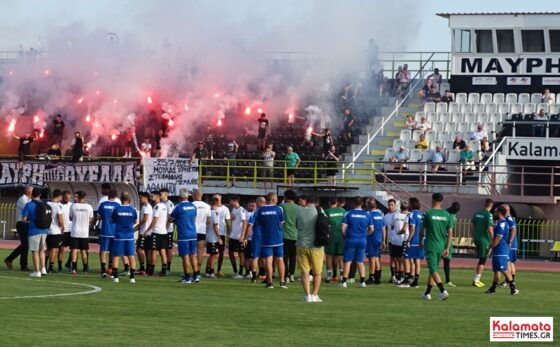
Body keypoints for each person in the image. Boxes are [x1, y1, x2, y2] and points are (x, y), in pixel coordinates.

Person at [419, 193, 453, 301]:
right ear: (441, 201)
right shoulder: (447, 215)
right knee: (433, 270)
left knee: (433, 269)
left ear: (432, 200)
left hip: (431, 245)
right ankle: (427, 293)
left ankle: (442, 291)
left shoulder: (428, 213)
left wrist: (420, 241)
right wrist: (447, 248)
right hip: (441, 246)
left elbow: (422, 229)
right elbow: (450, 233)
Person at [254, 193, 287, 289]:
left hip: (266, 239)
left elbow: (259, 223)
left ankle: (270, 283)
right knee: (280, 259)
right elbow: (281, 223)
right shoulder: (279, 209)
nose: (277, 200)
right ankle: (282, 282)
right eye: (276, 199)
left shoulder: (260, 210)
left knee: (268, 260)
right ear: (272, 199)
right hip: (278, 238)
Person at [339, 197, 373, 288]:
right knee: (360, 261)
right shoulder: (367, 214)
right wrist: (365, 235)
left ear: (354, 203)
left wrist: (345, 236)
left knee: (348, 261)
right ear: (362, 203)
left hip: (350, 239)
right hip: (362, 240)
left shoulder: (349, 213)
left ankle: (344, 282)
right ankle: (362, 282)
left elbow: (342, 228)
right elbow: (371, 229)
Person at [485, 205, 519, 295]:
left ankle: (513, 288)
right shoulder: (501, 223)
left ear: (500, 213)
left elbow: (498, 238)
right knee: (497, 270)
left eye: (496, 212)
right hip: (499, 251)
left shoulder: (502, 224)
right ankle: (493, 288)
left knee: (504, 269)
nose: (495, 213)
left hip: (501, 250)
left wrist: (490, 247)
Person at [295, 195, 324, 302]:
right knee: (317, 272)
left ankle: (307, 295)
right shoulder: (319, 210)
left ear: (306, 202)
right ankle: (315, 295)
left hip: (301, 244)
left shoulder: (298, 211)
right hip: (316, 246)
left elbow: (297, 225)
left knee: (305, 272)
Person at [170, 189, 199, 284]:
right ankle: (196, 275)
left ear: (180, 197)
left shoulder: (178, 207)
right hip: (193, 233)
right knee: (193, 255)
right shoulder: (193, 206)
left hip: (183, 235)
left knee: (185, 256)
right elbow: (194, 218)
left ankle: (187, 277)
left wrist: (177, 220)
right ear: (188, 196)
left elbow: (171, 219)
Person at [110, 192, 138, 283]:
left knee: (116, 256)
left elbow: (112, 220)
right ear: (129, 200)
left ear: (120, 199)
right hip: (129, 235)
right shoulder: (133, 210)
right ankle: (132, 277)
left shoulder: (116, 209)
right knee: (131, 256)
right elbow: (135, 221)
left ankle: (115, 277)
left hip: (119, 235)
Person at [22, 188, 49, 277]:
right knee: (42, 250)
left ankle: (37, 271)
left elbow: (24, 219)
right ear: (40, 195)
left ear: (31, 194)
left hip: (34, 230)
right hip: (45, 230)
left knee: (35, 251)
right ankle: (43, 268)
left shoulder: (29, 204)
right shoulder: (45, 204)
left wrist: (28, 220)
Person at [4, 186, 32, 271]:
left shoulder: (29, 200)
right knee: (25, 245)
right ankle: (22, 265)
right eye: (32, 191)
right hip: (21, 224)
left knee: (25, 245)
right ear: (29, 192)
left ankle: (10, 260)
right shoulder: (22, 199)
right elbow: (28, 211)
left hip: (26, 224)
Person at [69, 191, 94, 274]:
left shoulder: (73, 206)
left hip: (75, 231)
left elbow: (70, 218)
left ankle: (74, 268)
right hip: (84, 232)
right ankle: (85, 268)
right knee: (83, 251)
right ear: (84, 197)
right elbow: (90, 219)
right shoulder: (89, 207)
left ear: (78, 197)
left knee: (74, 250)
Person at [471, 198, 494, 288]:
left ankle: (476, 279)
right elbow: (490, 228)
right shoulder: (489, 215)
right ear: (491, 206)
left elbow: (471, 225)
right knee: (483, 259)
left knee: (481, 258)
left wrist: (473, 235)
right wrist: (493, 239)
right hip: (484, 239)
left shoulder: (477, 213)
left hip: (477, 238)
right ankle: (476, 280)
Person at [97, 189, 120, 277]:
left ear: (108, 195)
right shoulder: (118, 206)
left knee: (103, 250)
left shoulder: (103, 205)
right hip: (115, 232)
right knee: (114, 251)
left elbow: (98, 217)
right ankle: (113, 270)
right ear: (116, 196)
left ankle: (103, 271)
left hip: (105, 231)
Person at [145, 191, 169, 276]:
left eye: (152, 196)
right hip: (164, 232)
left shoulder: (156, 207)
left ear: (158, 197)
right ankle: (164, 270)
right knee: (162, 251)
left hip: (156, 232)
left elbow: (155, 220)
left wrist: (147, 230)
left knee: (153, 251)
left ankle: (151, 270)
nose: (151, 198)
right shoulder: (164, 206)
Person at [244, 196, 267, 282]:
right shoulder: (269, 212)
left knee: (255, 257)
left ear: (259, 203)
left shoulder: (256, 212)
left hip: (257, 237)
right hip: (267, 236)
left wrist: (245, 237)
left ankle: (253, 277)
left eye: (256, 203)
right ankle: (264, 275)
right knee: (266, 257)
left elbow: (250, 225)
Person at [403, 197, 423, 288]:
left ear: (412, 204)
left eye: (409, 203)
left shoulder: (412, 215)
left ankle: (407, 279)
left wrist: (408, 240)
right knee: (417, 260)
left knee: (407, 258)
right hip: (420, 240)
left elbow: (412, 229)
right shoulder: (422, 214)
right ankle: (415, 280)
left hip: (413, 240)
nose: (408, 205)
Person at [365, 198, 386, 285]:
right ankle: (378, 278)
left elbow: (370, 229)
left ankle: (371, 277)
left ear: (368, 206)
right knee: (377, 258)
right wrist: (384, 240)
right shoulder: (380, 215)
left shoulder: (369, 215)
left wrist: (365, 235)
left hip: (371, 239)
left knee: (371, 259)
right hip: (379, 239)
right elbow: (384, 228)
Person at [325, 198, 345, 283]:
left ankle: (329, 277)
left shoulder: (327, 212)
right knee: (340, 257)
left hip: (331, 237)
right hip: (341, 237)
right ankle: (341, 277)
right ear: (337, 203)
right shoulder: (343, 211)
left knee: (329, 256)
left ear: (329, 203)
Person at [280, 190, 299, 283]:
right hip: (295, 235)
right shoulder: (298, 208)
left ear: (286, 197)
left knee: (284, 257)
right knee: (293, 257)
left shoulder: (282, 206)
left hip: (284, 235)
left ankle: (286, 275)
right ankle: (292, 274)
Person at [192, 189, 211, 276]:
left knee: (190, 251)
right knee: (200, 251)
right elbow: (209, 220)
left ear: (195, 195)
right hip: (202, 231)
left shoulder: (191, 204)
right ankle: (198, 271)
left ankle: (191, 270)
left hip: (192, 230)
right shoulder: (207, 206)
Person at [228, 195, 247, 279]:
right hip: (233, 235)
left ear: (235, 200)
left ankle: (240, 272)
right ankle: (235, 271)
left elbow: (245, 223)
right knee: (230, 253)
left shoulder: (241, 210)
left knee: (241, 254)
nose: (229, 202)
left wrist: (242, 236)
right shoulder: (234, 209)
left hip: (239, 236)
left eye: (230, 201)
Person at [46, 190, 64, 274]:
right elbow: (60, 220)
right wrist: (63, 228)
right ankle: (51, 268)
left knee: (47, 249)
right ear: (59, 196)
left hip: (47, 230)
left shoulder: (47, 204)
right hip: (55, 230)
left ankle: (44, 266)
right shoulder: (58, 206)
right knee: (54, 249)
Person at [212, 194, 231, 277]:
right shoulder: (210, 208)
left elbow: (228, 222)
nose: (216, 200)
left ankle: (218, 270)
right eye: (214, 198)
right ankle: (210, 270)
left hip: (221, 233)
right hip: (212, 234)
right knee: (212, 253)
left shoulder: (225, 209)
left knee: (221, 253)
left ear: (220, 199)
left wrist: (229, 234)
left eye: (217, 198)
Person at [443, 202, 460, 287]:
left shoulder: (453, 215)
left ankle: (447, 280)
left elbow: (452, 228)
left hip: (448, 239)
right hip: (442, 238)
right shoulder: (444, 213)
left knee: (447, 260)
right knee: (436, 260)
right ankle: (433, 279)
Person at [136, 192, 153, 275]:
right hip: (147, 231)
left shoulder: (146, 207)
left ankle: (142, 268)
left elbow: (145, 219)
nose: (139, 199)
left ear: (146, 198)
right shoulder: (148, 206)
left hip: (145, 232)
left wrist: (137, 227)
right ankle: (148, 268)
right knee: (147, 251)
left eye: (141, 197)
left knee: (139, 249)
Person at [205, 197, 223, 278]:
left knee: (212, 255)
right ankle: (211, 272)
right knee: (213, 255)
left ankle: (207, 270)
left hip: (209, 236)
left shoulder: (208, 212)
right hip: (213, 237)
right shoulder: (214, 213)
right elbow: (215, 226)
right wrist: (219, 238)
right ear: (217, 203)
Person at [393, 203, 409, 284]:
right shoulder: (409, 216)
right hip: (405, 239)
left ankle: (398, 276)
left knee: (397, 259)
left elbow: (392, 226)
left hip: (395, 240)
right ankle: (403, 276)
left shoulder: (395, 216)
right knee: (403, 259)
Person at [503, 204, 518, 287]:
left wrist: (510, 241)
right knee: (511, 262)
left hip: (510, 244)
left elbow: (513, 229)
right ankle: (510, 280)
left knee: (508, 262)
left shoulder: (508, 218)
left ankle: (509, 281)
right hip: (512, 243)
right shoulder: (509, 218)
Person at [160, 188, 175, 274]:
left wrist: (165, 228)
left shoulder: (170, 204)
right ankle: (164, 266)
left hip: (167, 230)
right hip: (161, 230)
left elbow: (170, 219)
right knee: (162, 249)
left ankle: (168, 268)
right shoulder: (160, 203)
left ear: (166, 194)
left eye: (161, 194)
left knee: (168, 249)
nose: (160, 195)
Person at [384, 199, 399, 283]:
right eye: (389, 205)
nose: (390, 206)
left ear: (395, 205)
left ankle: (399, 275)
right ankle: (393, 276)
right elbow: (385, 229)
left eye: (392, 205)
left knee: (399, 259)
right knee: (392, 258)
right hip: (391, 240)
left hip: (399, 240)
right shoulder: (386, 216)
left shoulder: (399, 214)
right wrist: (385, 240)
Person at [58, 191, 73, 272]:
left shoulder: (71, 205)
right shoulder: (58, 205)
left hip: (71, 230)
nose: (67, 199)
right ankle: (60, 266)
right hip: (62, 230)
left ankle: (69, 263)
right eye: (66, 198)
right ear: (62, 196)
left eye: (69, 198)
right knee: (61, 249)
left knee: (73, 249)